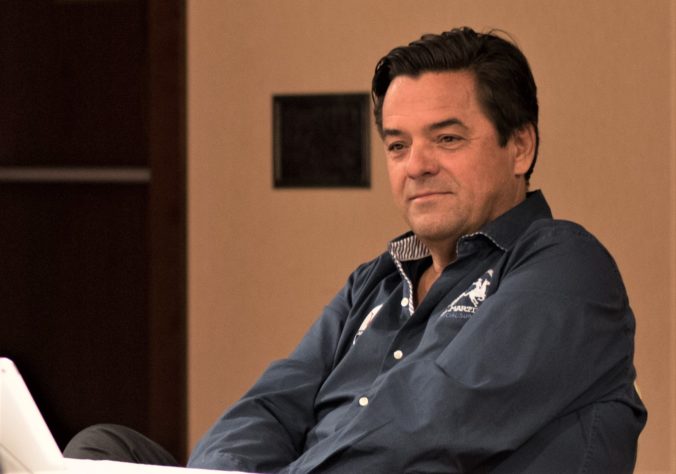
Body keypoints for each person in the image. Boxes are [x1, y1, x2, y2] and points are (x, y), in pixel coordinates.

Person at [65, 27, 647, 473]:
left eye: (447, 138)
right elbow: (271, 407)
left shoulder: (566, 266)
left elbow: (427, 426)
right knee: (100, 448)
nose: (417, 165)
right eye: (397, 145)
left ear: (520, 147)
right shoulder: (375, 281)